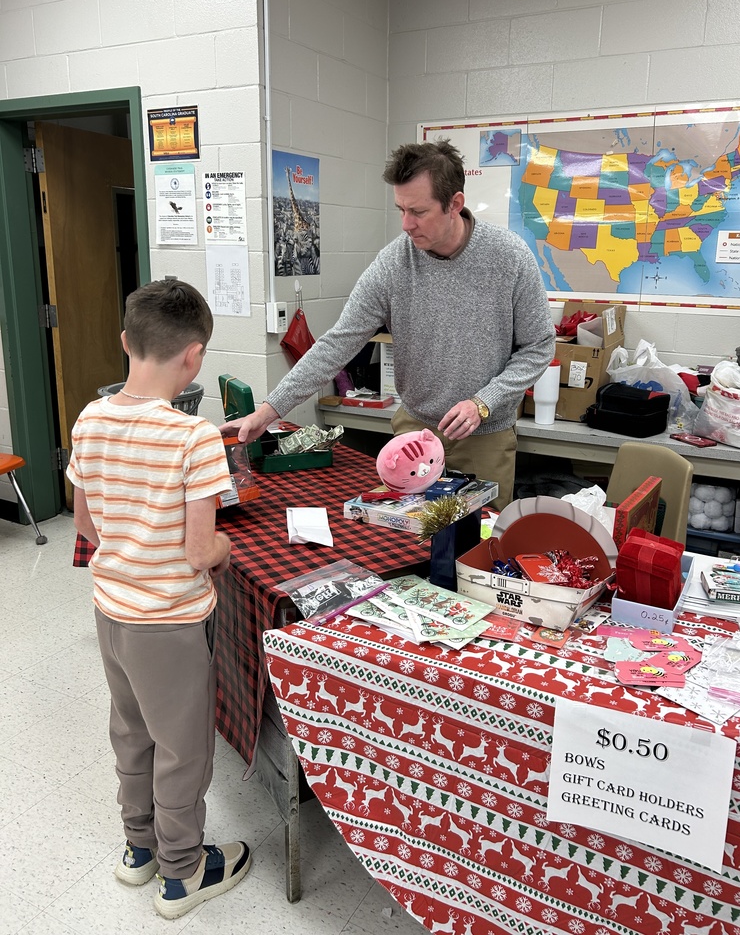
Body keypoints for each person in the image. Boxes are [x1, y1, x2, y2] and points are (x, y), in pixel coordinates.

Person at [223, 140, 555, 507]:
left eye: (418, 211)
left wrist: (483, 402)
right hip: (413, 430)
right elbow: (338, 343)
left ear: (455, 204)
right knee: (403, 539)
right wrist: (268, 412)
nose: (406, 224)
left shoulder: (509, 257)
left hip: (483, 436)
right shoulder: (394, 262)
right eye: (400, 209)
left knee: (472, 546)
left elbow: (538, 346)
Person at [66, 279, 250, 920]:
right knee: (183, 749)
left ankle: (138, 849)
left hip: (110, 610)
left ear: (126, 342)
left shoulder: (90, 418)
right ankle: (183, 873)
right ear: (194, 358)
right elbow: (202, 552)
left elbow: (83, 521)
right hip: (170, 622)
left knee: (131, 732)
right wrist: (226, 551)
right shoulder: (194, 438)